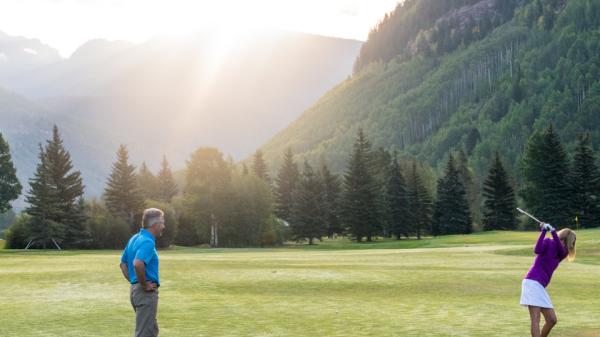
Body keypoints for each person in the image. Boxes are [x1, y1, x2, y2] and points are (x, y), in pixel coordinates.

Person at [520, 222, 576, 337]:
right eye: (572, 242)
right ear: (566, 239)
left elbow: (560, 249)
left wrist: (554, 232)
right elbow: (537, 250)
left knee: (552, 320)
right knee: (535, 318)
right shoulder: (547, 241)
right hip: (532, 282)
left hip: (539, 286)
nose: (572, 246)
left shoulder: (562, 253)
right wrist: (543, 231)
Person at [120, 208, 165, 337]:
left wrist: (135, 283)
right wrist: (143, 285)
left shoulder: (134, 239)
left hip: (136, 291)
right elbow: (137, 263)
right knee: (144, 333)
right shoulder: (147, 242)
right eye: (162, 222)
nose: (163, 226)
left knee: (151, 330)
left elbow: (123, 264)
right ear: (155, 225)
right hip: (145, 293)